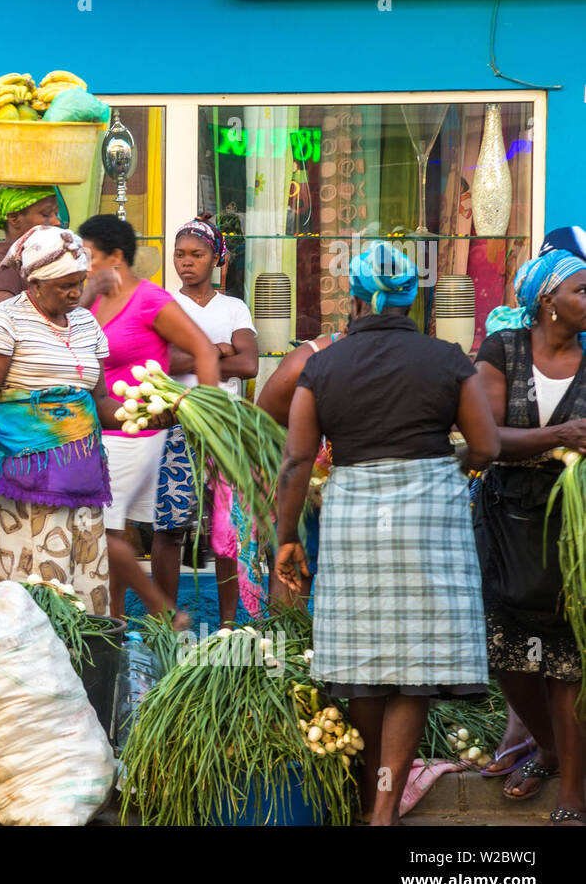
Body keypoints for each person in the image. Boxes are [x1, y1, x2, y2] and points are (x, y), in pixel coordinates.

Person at [275, 241, 500, 826]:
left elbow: (298, 461)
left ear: (353, 297)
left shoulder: (321, 364)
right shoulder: (447, 357)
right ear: (414, 298)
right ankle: (382, 809)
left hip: (353, 515)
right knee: (414, 666)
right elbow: (486, 446)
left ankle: (366, 795)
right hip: (429, 519)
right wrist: (450, 468)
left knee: (363, 663)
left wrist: (287, 538)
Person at [0, 225, 147, 616]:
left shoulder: (85, 324)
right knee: (25, 603)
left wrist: (144, 413)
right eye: (65, 285)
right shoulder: (3, 322)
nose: (74, 293)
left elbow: (98, 401)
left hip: (80, 488)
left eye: (79, 282)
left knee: (81, 603)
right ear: (36, 282)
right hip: (17, 491)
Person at [472, 250, 586, 825]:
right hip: (506, 518)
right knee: (510, 653)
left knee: (566, 658)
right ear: (548, 300)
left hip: (574, 525)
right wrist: (560, 433)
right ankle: (548, 748)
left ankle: (572, 789)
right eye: (582, 290)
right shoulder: (503, 351)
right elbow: (484, 440)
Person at [76, 213, 219, 624]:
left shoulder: (150, 299)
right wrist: (87, 294)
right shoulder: (95, 298)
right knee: (114, 532)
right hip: (99, 428)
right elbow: (69, 334)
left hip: (135, 432)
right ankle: (116, 625)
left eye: (89, 256)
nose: (83, 265)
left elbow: (205, 352)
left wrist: (205, 417)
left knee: (101, 529)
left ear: (115, 256)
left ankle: (165, 612)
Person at [155, 214, 260, 623]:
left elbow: (250, 363)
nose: (186, 262)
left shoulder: (233, 307)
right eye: (180, 254)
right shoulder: (165, 305)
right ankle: (164, 620)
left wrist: (196, 358)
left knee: (227, 527)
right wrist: (217, 350)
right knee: (171, 525)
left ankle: (230, 623)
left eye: (197, 254)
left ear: (216, 258)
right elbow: (161, 362)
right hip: (178, 421)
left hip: (225, 426)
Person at [256, 331, 345, 601]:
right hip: (305, 485)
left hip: (358, 488)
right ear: (357, 307)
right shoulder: (304, 362)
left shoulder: (405, 357)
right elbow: (261, 425)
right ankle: (288, 640)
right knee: (296, 563)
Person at [0, 187, 61, 312]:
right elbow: (1, 325)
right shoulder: (6, 270)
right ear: (14, 218)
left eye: (56, 214)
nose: (56, 222)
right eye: (46, 214)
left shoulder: (26, 263)